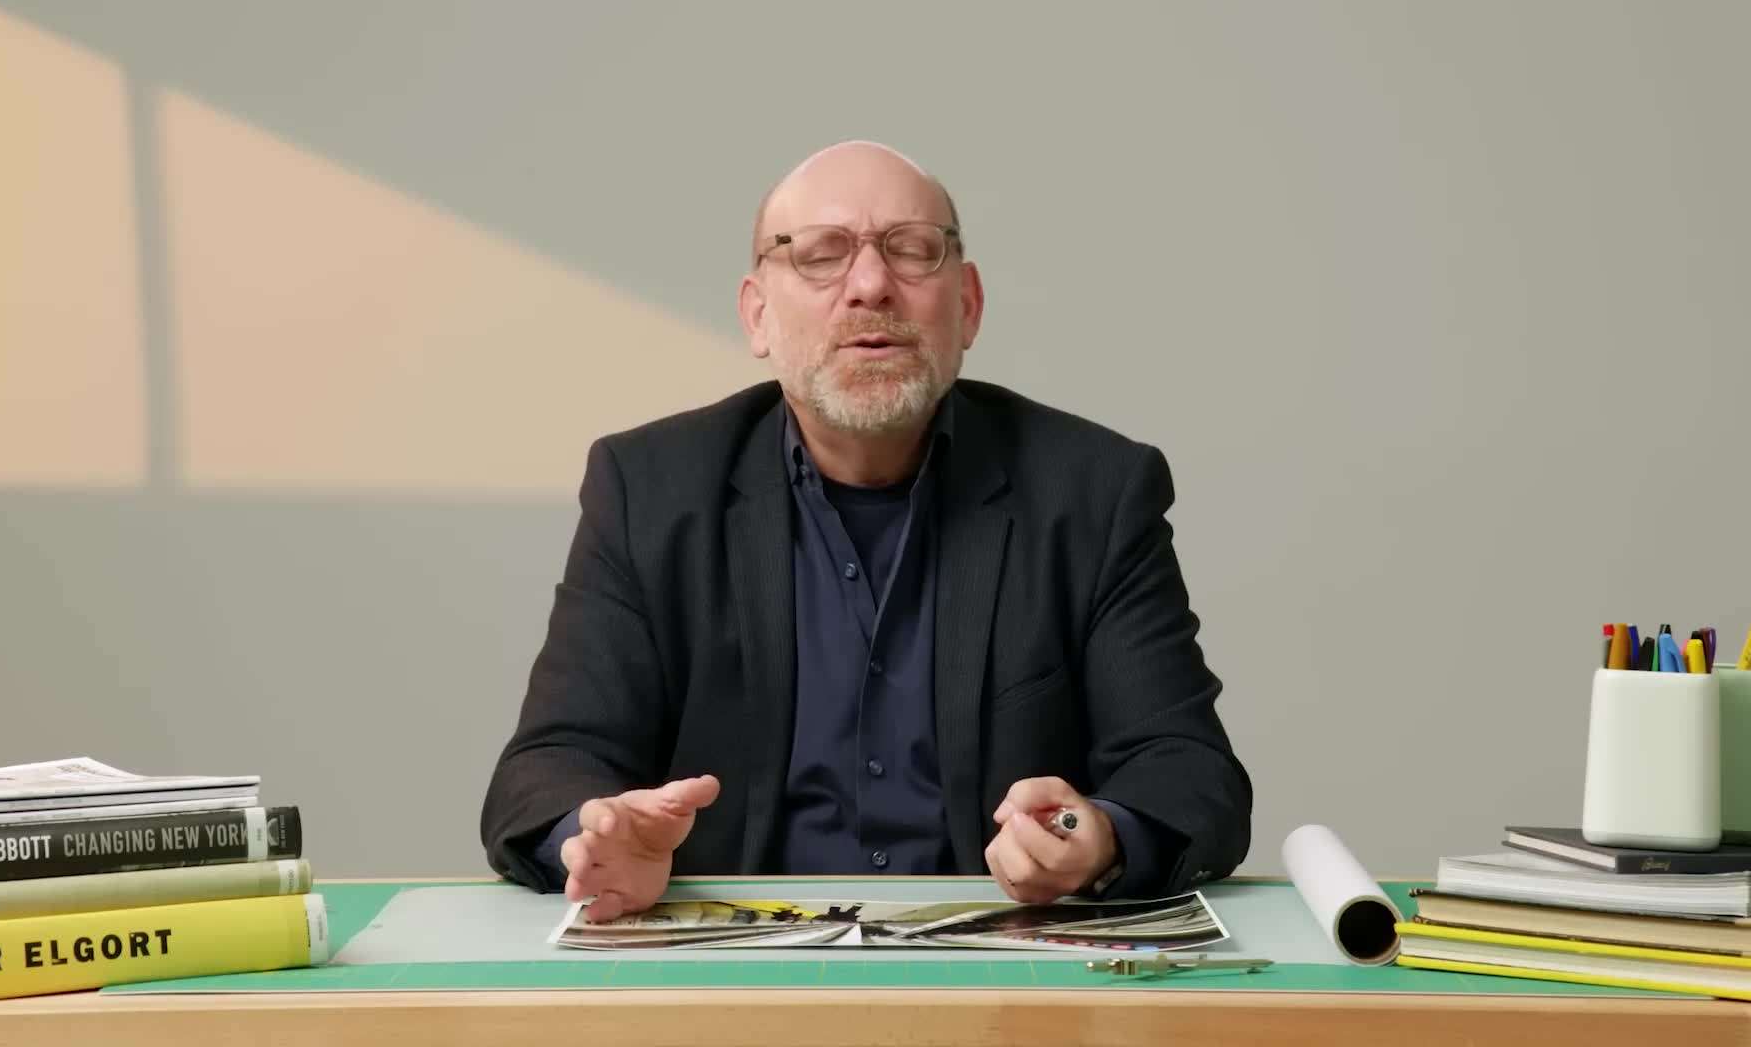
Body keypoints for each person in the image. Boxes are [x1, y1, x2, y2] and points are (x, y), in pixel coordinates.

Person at [481, 141, 1251, 922]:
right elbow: (546, 768)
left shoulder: (1093, 492)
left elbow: (1185, 769)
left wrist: (1103, 840)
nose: (872, 285)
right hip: (733, 973)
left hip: (1005, 978)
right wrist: (596, 841)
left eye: (913, 251)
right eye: (821, 256)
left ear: (969, 305)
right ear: (757, 314)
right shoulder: (649, 489)